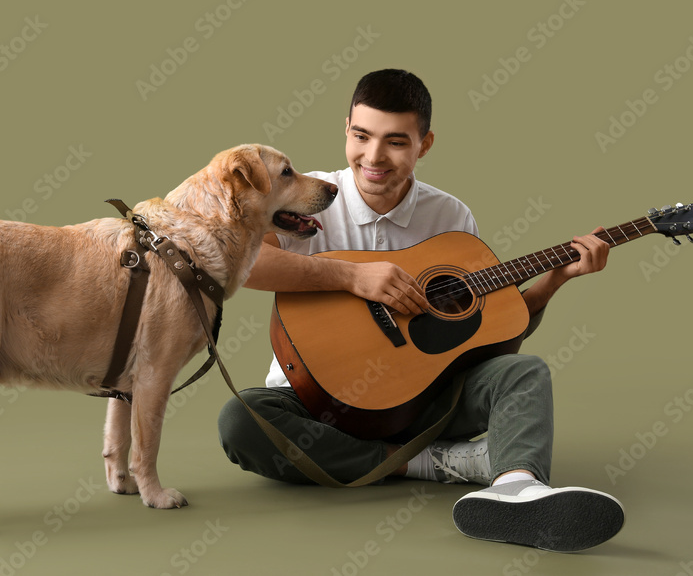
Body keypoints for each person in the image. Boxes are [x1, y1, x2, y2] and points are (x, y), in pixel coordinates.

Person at [217, 68, 625, 552]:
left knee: (524, 371)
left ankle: (518, 488)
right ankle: (441, 463)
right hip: (315, 401)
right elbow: (244, 264)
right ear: (345, 129)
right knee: (242, 421)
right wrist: (352, 276)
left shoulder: (451, 218)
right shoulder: (304, 196)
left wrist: (557, 278)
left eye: (395, 141)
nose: (373, 157)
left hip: (418, 400)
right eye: (362, 136)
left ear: (424, 144)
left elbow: (492, 328)